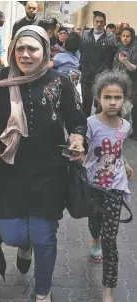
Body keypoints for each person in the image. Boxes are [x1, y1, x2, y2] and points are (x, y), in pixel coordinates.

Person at [0, 25, 87, 302]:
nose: (25, 54)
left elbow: (77, 120)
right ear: (12, 51)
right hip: (10, 175)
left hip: (50, 173)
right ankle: (24, 246)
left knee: (45, 235)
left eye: (33, 48)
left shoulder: (60, 82)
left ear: (45, 50)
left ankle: (43, 291)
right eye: (20, 48)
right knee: (11, 233)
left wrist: (79, 139)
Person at [82, 71, 134, 302]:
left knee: (110, 239)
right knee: (95, 222)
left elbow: (117, 148)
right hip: (93, 185)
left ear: (125, 99)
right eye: (107, 97)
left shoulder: (125, 126)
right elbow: (84, 148)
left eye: (118, 97)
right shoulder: (90, 124)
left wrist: (125, 162)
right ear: (98, 98)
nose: (112, 102)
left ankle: (108, 291)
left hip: (115, 186)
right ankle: (94, 239)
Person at [79, 11, 117, 117]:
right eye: (97, 21)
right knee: (86, 104)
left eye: (101, 22)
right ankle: (84, 128)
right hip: (87, 75)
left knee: (100, 104)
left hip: (102, 76)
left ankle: (98, 128)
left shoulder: (110, 37)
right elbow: (81, 52)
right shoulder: (85, 35)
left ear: (105, 23)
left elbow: (113, 56)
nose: (99, 24)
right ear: (93, 22)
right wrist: (81, 68)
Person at [113, 27, 137, 140]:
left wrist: (125, 62)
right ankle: (117, 130)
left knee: (126, 109)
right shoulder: (120, 47)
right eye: (123, 36)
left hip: (130, 83)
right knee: (119, 107)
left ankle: (122, 134)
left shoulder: (135, 48)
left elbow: (134, 68)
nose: (125, 38)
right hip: (119, 82)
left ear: (132, 37)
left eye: (128, 36)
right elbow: (115, 64)